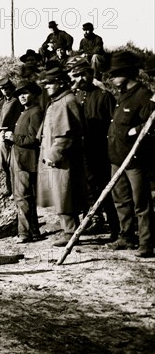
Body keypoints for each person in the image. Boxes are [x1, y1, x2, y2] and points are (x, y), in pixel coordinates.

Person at [105, 51, 155, 258]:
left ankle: (146, 242)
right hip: (117, 158)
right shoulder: (122, 95)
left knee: (141, 202)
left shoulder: (143, 95)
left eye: (116, 74)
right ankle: (126, 237)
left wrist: (133, 131)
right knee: (121, 200)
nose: (112, 78)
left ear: (127, 73)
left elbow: (151, 123)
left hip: (135, 160)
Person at [69, 58, 119, 240]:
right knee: (88, 188)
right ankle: (95, 221)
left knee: (107, 188)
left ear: (90, 74)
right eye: (77, 75)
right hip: (84, 151)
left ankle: (116, 227)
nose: (81, 78)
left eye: (84, 74)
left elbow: (114, 126)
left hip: (101, 151)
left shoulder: (104, 96)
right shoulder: (77, 97)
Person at [37, 67, 85, 247]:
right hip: (58, 157)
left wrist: (53, 155)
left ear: (61, 83)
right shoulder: (59, 101)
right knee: (60, 194)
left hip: (63, 159)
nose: (47, 86)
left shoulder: (65, 102)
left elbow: (65, 136)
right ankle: (69, 230)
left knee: (64, 194)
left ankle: (70, 232)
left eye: (50, 83)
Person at [5, 80, 44, 243]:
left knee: (22, 196)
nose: (22, 97)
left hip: (26, 160)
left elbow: (34, 139)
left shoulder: (35, 112)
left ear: (33, 95)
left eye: (25, 93)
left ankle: (24, 233)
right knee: (25, 196)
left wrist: (13, 137)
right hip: (20, 157)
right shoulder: (25, 111)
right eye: (19, 94)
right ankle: (33, 231)